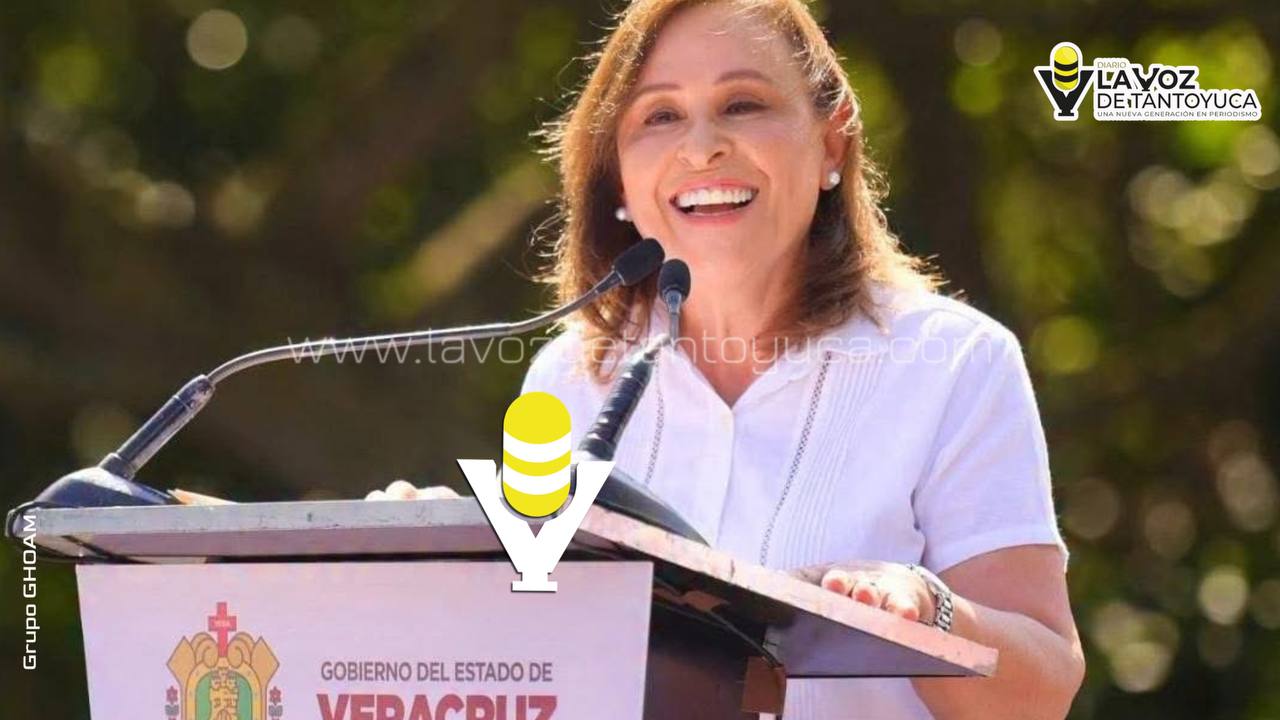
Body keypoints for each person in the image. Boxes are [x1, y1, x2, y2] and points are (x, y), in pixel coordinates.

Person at [369, 0, 1085, 717]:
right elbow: (541, 665)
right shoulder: (567, 378)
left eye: (743, 104)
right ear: (619, 178)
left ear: (832, 144)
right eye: (660, 116)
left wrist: (929, 610)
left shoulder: (955, 362)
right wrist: (452, 561)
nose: (702, 147)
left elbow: (1043, 694)